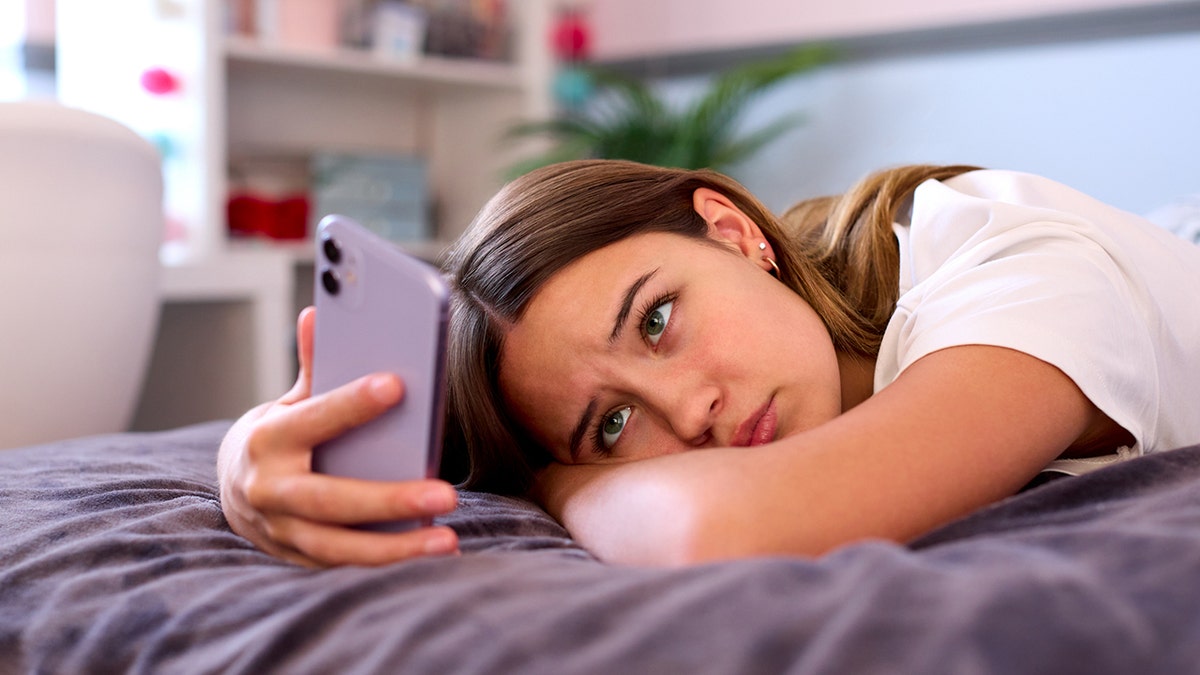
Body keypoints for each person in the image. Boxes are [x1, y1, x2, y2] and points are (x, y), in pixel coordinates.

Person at [218, 160, 1200, 567]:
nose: (689, 413)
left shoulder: (1015, 266)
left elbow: (722, 526)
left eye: (655, 322)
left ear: (733, 233)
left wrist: (563, 474)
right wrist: (239, 467)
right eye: (611, 425)